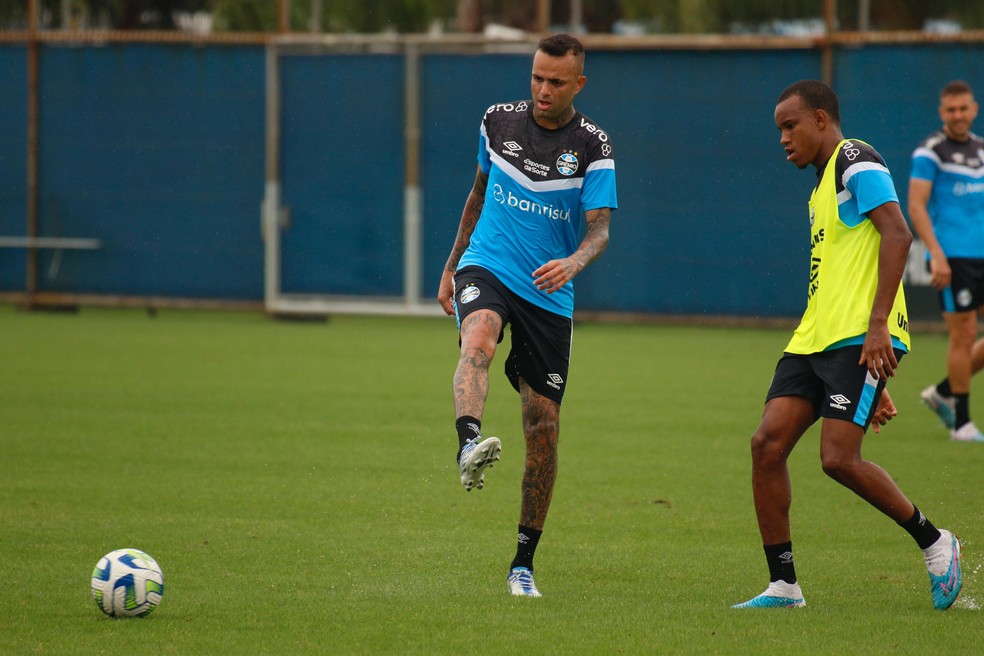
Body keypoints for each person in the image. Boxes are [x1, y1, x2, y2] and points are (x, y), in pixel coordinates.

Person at [732, 80, 962, 610]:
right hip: (816, 338)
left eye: (790, 126)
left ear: (820, 119)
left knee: (837, 458)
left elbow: (899, 235)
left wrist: (879, 326)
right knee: (766, 445)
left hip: (859, 336)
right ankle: (784, 586)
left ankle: (936, 543)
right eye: (778, 131)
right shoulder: (819, 187)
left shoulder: (854, 158)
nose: (783, 139)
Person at [436, 33, 617, 598]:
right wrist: (450, 267)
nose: (542, 89)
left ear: (578, 84)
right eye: (536, 77)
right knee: (478, 342)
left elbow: (600, 230)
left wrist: (574, 262)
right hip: (486, 265)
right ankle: (469, 441)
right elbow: (475, 195)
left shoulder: (594, 146)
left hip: (548, 292)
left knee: (543, 427)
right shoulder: (496, 122)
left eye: (556, 81)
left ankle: (522, 565)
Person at [909, 80, 984, 442]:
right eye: (950, 110)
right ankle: (962, 423)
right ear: (942, 113)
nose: (958, 115)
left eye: (963, 108)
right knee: (964, 334)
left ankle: (942, 392)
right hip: (953, 258)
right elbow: (916, 205)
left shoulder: (982, 150)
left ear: (974, 109)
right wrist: (935, 254)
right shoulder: (930, 151)